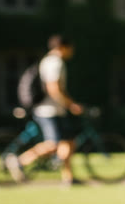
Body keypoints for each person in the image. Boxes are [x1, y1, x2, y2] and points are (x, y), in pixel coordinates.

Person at [6, 34, 83, 186]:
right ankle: (20, 161)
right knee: (53, 144)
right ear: (63, 47)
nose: (72, 51)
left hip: (56, 110)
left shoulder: (50, 61)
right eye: (70, 48)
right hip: (48, 110)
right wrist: (71, 104)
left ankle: (68, 177)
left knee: (69, 142)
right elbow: (53, 88)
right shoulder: (54, 62)